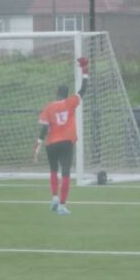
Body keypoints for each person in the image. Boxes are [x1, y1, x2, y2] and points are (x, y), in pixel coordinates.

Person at [34, 56, 89, 215]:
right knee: (65, 172)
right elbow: (83, 89)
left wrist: (38, 143)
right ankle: (62, 206)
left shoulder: (49, 107)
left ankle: (54, 198)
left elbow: (44, 128)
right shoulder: (70, 102)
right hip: (66, 142)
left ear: (56, 94)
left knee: (53, 170)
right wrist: (85, 70)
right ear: (66, 94)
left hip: (51, 143)